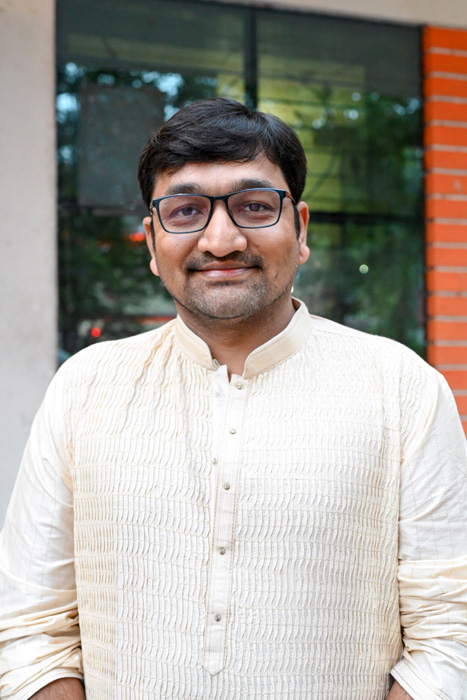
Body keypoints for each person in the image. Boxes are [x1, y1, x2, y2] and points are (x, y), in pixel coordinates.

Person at [0, 98, 466, 700]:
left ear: (300, 229)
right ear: (152, 241)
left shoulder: (401, 387)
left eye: (254, 205)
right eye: (186, 210)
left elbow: (452, 632)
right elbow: (31, 628)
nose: (221, 240)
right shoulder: (84, 387)